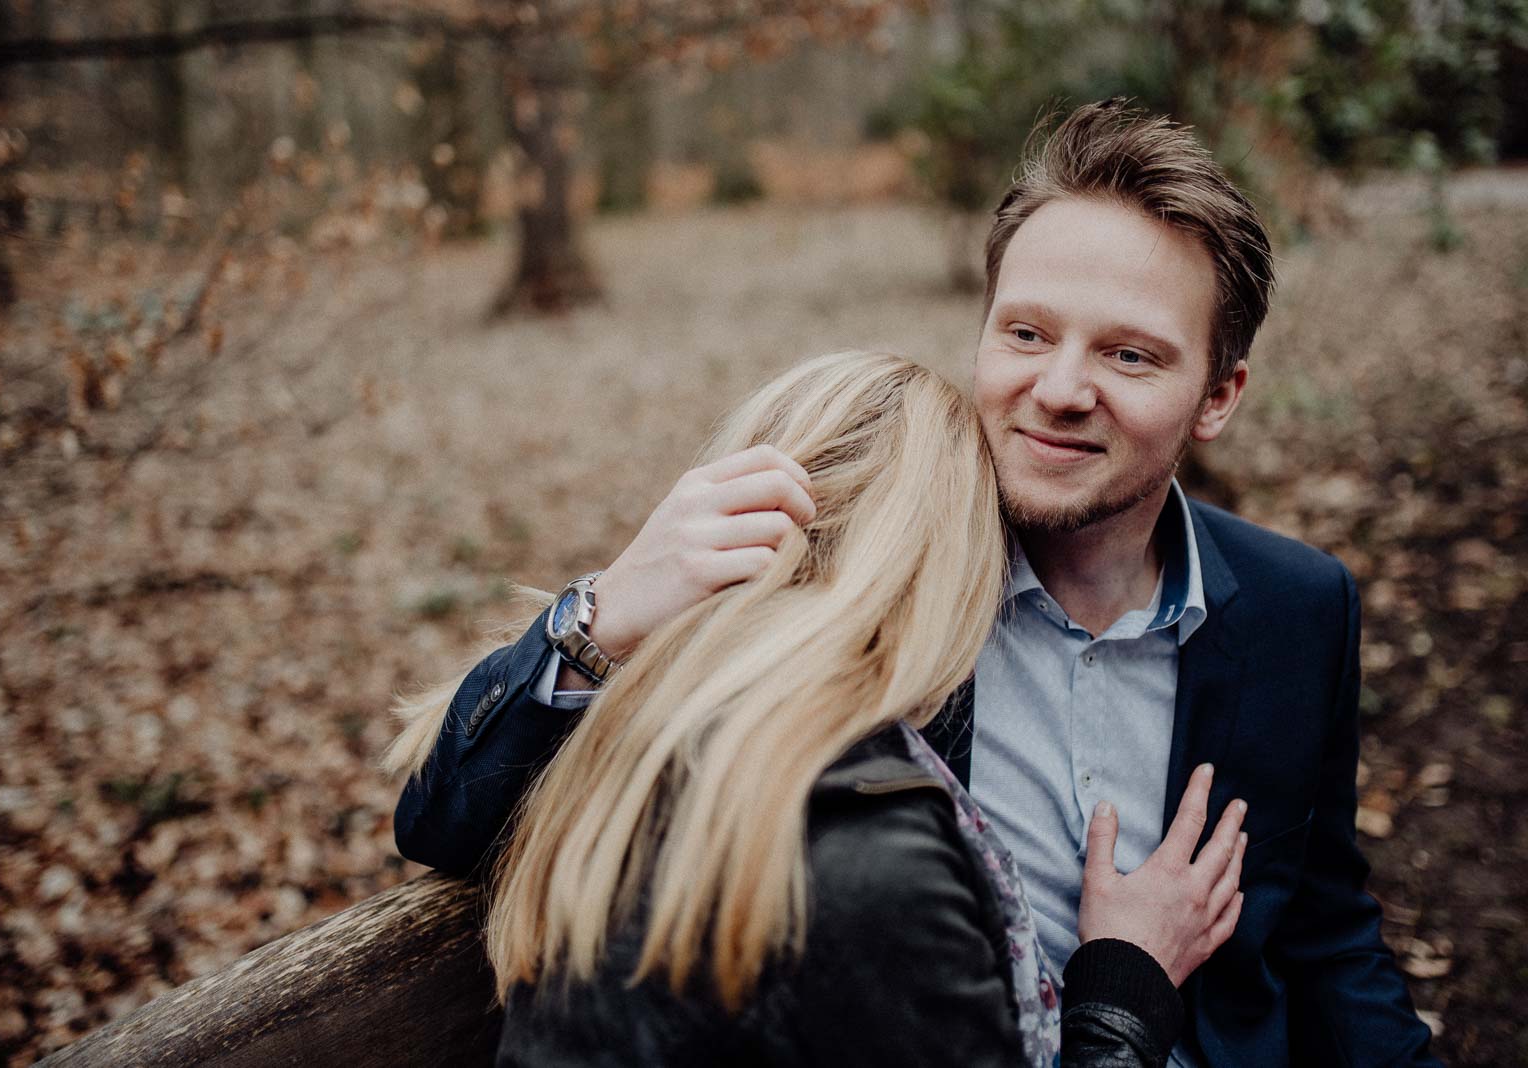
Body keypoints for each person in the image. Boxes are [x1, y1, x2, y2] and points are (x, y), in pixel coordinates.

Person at [393, 101, 1439, 1065]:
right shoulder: (869, 582)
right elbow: (447, 822)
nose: (1059, 390)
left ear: (1218, 396)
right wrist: (607, 612)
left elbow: (1328, 940)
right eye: (1025, 333)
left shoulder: (1302, 608)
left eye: (1128, 357)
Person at [389, 350, 1248, 1066]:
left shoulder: (650, 723)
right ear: (949, 560)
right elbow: (434, 817)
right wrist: (1125, 983)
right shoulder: (870, 864)